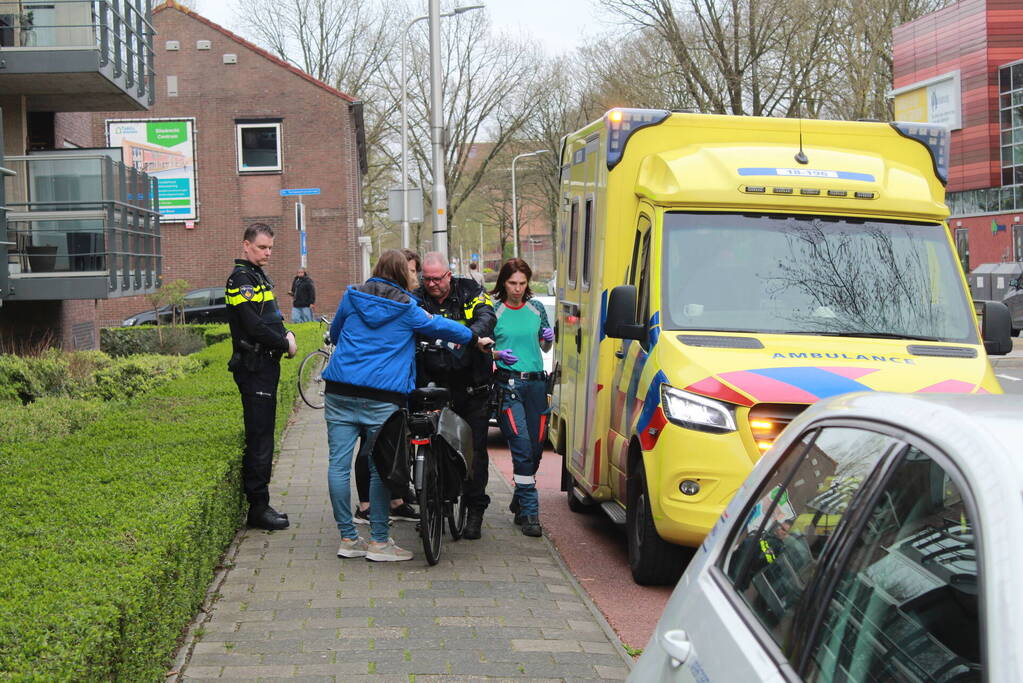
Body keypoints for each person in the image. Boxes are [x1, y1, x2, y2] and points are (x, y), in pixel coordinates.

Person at [321, 249, 488, 561]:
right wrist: (474, 338)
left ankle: (347, 538)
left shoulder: (352, 295)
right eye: (413, 274)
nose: (417, 278)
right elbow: (442, 327)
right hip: (381, 396)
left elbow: (335, 333)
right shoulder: (407, 307)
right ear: (402, 275)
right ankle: (379, 543)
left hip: (339, 390)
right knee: (380, 467)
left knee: (338, 465)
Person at [415, 251, 497, 540]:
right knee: (428, 443)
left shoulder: (470, 291)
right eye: (427, 279)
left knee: (475, 452)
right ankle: (429, 499)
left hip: (472, 388)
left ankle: (475, 509)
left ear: (449, 275)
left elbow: (486, 316)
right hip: (433, 388)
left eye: (437, 279)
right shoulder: (417, 297)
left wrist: (470, 337)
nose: (432, 285)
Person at [225, 222, 297, 531]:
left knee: (264, 436)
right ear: (245, 245)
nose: (267, 253)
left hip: (265, 367)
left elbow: (271, 317)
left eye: (270, 248)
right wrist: (285, 342)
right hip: (255, 369)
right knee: (259, 440)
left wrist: (286, 332)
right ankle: (257, 508)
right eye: (261, 247)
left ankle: (262, 504)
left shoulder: (257, 276)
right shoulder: (241, 280)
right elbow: (252, 327)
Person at [352, 247, 424, 526]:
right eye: (408, 270)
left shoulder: (414, 301)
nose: (412, 275)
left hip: (401, 381)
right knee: (371, 445)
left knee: (396, 443)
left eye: (414, 270)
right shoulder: (401, 303)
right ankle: (367, 506)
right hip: (379, 384)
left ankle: (396, 499)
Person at [489, 258, 552, 537]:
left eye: (522, 283)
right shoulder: (494, 311)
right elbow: (480, 347)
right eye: (513, 283)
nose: (517, 288)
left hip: (537, 385)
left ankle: (519, 497)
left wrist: (548, 338)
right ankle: (529, 512)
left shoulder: (537, 309)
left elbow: (545, 345)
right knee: (522, 446)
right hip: (509, 386)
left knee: (536, 449)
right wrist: (496, 354)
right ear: (504, 282)